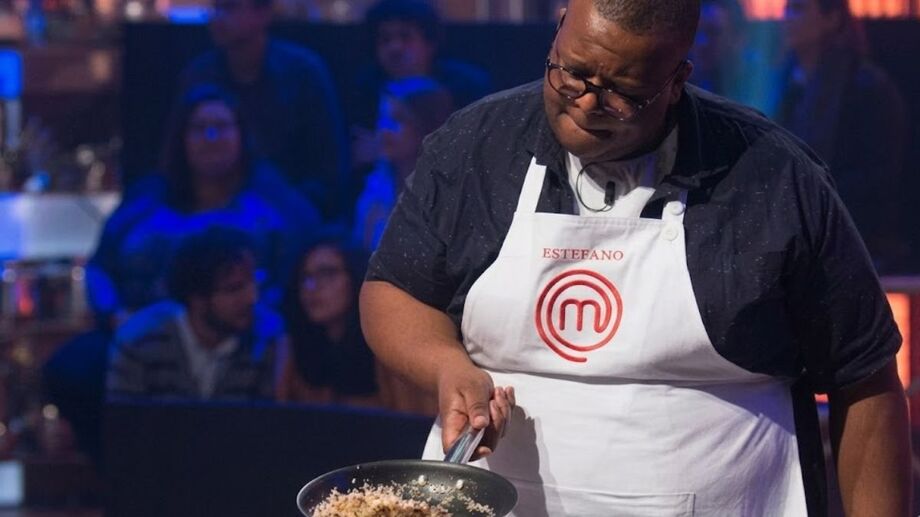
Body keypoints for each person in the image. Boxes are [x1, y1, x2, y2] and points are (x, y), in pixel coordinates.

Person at [359, 0, 910, 515]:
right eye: (571, 72)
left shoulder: (772, 176)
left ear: (676, 81)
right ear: (559, 27)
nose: (586, 104)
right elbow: (393, 289)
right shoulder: (476, 145)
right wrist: (448, 365)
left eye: (623, 92)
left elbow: (864, 378)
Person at [86, 84, 317, 325]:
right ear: (181, 138)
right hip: (141, 335)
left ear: (241, 134)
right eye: (199, 128)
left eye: (222, 127)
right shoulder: (144, 201)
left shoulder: (280, 205)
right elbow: (99, 269)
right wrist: (113, 316)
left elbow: (305, 272)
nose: (211, 137)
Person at [180, 0, 349, 218]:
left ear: (264, 13)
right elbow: (175, 161)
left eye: (229, 7)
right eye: (216, 8)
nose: (217, 18)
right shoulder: (199, 75)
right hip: (207, 212)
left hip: (289, 216)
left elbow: (329, 171)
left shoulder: (304, 74)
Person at [775, 0, 909, 273]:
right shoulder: (782, 87)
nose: (787, 19)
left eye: (798, 9)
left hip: (855, 247)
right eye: (787, 9)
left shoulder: (868, 88)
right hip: (794, 243)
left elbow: (879, 179)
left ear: (832, 19)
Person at [107, 227, 285, 400]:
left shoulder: (268, 339)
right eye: (234, 289)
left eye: (254, 283)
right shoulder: (139, 341)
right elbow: (122, 417)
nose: (252, 298)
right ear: (197, 299)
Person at [348, 0, 491, 172]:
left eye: (405, 37)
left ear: (430, 43)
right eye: (385, 39)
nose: (395, 47)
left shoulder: (465, 87)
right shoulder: (364, 89)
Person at [352, 76, 454, 251]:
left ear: (428, 128)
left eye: (398, 120)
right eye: (382, 118)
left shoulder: (449, 196)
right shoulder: (376, 188)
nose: (384, 130)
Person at [277, 237, 380, 406]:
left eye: (327, 274)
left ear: (357, 276)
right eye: (304, 277)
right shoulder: (293, 348)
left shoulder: (383, 351)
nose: (311, 287)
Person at [689, 0, 772, 111]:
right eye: (697, 32)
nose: (701, 41)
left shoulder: (762, 88)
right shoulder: (688, 84)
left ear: (739, 38)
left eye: (713, 32)